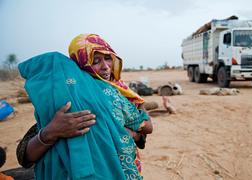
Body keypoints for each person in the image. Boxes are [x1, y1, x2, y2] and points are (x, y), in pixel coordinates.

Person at [17, 34, 152, 180]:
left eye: (108, 58)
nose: (106, 67)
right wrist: (51, 132)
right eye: (95, 61)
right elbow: (24, 155)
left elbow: (141, 133)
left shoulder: (120, 92)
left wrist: (131, 133)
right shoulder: (66, 100)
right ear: (81, 65)